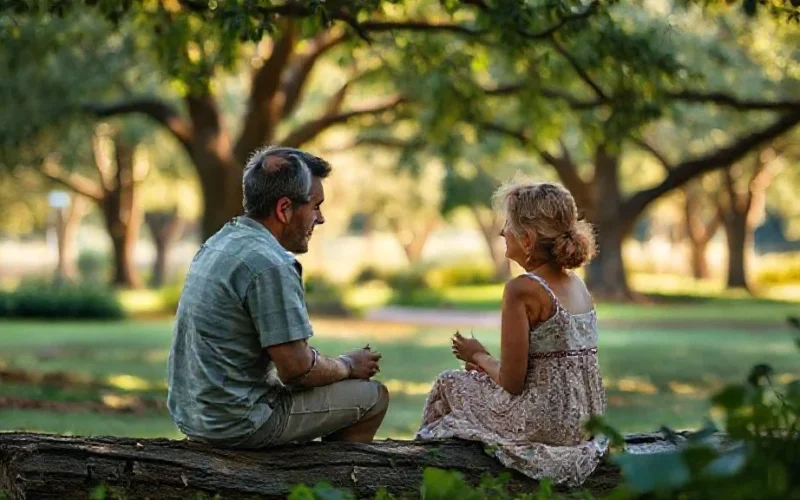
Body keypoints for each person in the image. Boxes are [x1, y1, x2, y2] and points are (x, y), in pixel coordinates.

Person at [167, 146, 389, 449]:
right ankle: (329, 486)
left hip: (195, 416)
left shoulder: (222, 240)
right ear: (284, 209)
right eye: (315, 206)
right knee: (372, 397)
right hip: (238, 423)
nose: (321, 218)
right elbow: (297, 369)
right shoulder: (269, 263)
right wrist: (347, 365)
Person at [416, 181, 607, 486]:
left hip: (543, 422)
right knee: (475, 380)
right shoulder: (578, 285)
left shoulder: (522, 289)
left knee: (448, 383)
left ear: (528, 238)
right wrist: (486, 366)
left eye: (508, 224)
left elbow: (512, 382)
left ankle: (433, 481)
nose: (502, 232)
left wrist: (477, 353)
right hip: (583, 423)